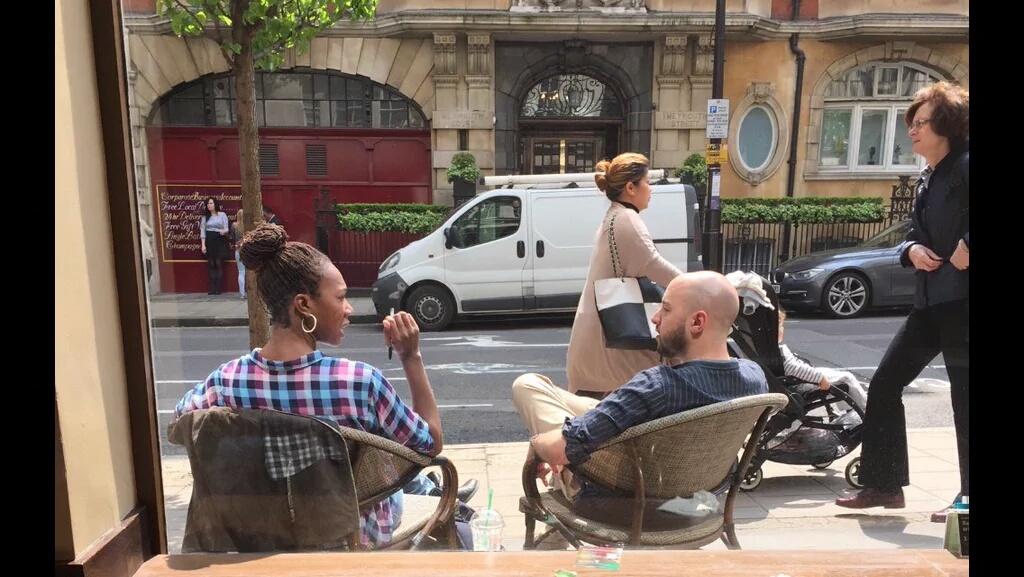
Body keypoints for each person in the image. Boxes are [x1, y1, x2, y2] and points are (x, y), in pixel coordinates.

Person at [172, 222, 475, 548]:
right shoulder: (360, 384)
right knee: (400, 478)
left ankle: (426, 488)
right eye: (342, 297)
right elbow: (429, 443)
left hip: (262, 541)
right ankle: (435, 492)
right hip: (348, 540)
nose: (348, 310)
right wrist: (411, 356)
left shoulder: (225, 383)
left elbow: (181, 422)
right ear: (304, 305)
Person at [835, 81, 968, 523]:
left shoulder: (967, 165)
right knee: (885, 383)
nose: (911, 129)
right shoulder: (929, 177)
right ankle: (885, 485)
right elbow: (912, 236)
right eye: (910, 122)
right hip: (932, 302)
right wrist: (909, 251)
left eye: (920, 122)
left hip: (964, 303)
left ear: (946, 125)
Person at [514, 271, 769, 500]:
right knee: (536, 386)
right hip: (696, 491)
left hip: (624, 494)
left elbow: (561, 449)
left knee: (527, 388)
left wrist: (537, 447)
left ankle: (566, 492)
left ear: (697, 322)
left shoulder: (658, 386)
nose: (655, 318)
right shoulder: (755, 378)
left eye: (666, 309)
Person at [566, 152, 682, 399]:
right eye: (647, 182)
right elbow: (653, 264)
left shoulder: (616, 215)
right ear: (631, 187)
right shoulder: (627, 219)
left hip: (601, 330)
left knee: (604, 410)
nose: (651, 189)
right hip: (611, 335)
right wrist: (694, 286)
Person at [777, 308, 868, 413]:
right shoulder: (778, 351)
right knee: (847, 378)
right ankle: (865, 411)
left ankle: (851, 411)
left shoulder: (768, 348)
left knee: (833, 373)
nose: (783, 329)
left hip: (792, 381)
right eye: (781, 326)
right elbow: (792, 368)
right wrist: (819, 378)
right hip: (797, 383)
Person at [200, 197, 231, 295]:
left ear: (215, 204)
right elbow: (202, 232)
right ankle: (212, 288)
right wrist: (203, 245)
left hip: (219, 239)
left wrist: (223, 231)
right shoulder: (205, 217)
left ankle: (218, 288)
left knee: (218, 263)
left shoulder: (222, 215)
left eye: (211, 203)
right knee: (211, 264)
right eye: (208, 204)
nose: (209, 205)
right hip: (210, 240)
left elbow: (227, 228)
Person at [231, 208, 246, 300]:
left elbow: (232, 236)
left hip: (238, 250)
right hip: (248, 251)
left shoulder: (234, 225)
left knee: (241, 272)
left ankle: (242, 293)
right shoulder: (248, 226)